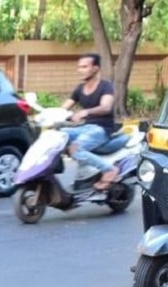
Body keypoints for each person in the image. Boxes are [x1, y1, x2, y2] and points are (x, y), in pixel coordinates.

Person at [61, 53, 118, 190]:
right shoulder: (80, 88)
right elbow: (64, 108)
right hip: (85, 128)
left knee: (76, 148)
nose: (80, 70)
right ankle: (84, 173)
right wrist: (50, 115)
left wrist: (86, 112)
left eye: (84, 66)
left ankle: (109, 170)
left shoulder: (106, 86)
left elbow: (106, 107)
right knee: (58, 135)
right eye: (79, 67)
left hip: (102, 129)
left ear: (95, 68)